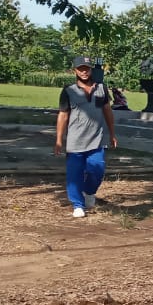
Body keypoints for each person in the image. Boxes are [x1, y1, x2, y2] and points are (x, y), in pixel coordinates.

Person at [54, 57, 118, 218]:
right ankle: (77, 204)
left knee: (97, 169)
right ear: (74, 70)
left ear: (91, 70)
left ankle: (89, 192)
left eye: (86, 69)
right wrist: (59, 140)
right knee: (74, 174)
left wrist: (112, 133)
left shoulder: (101, 88)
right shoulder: (69, 90)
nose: (83, 72)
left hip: (97, 139)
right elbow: (63, 115)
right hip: (75, 141)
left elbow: (107, 111)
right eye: (80, 69)